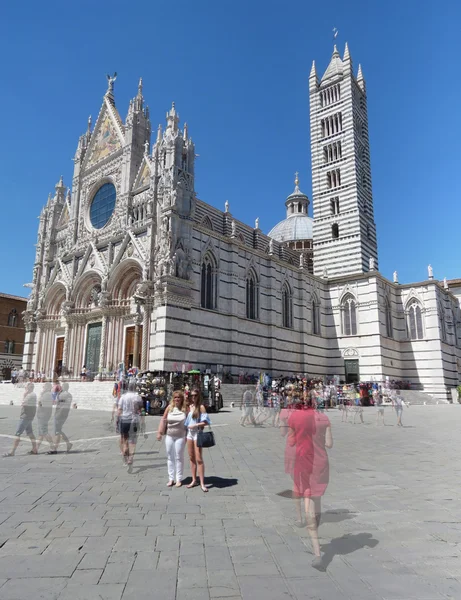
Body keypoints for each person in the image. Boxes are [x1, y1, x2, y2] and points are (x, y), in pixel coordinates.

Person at [157, 391, 187, 487]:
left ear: (182, 399)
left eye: (178, 397)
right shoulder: (169, 408)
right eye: (175, 397)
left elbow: (190, 419)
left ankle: (179, 479)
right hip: (169, 435)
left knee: (179, 457)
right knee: (170, 457)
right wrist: (160, 432)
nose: (177, 399)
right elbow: (163, 419)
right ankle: (171, 478)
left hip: (181, 436)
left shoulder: (185, 409)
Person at [185, 389, 210, 492]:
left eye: (195, 395)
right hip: (189, 434)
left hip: (197, 433)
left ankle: (202, 483)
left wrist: (195, 425)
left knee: (199, 458)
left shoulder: (201, 407)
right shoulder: (189, 407)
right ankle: (194, 480)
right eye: (192, 395)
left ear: (198, 396)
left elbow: (206, 422)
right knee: (191, 457)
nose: (193, 397)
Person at [3, 383, 38, 456]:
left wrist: (24, 395)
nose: (25, 389)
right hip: (29, 417)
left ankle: (12, 452)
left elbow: (23, 404)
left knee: (17, 434)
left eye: (26, 388)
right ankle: (34, 449)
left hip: (25, 417)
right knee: (30, 433)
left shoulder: (29, 395)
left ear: (29, 388)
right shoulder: (34, 395)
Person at [117, 380, 142, 472]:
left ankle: (125, 452)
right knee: (133, 440)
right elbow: (140, 409)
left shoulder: (123, 397)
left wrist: (117, 420)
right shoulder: (137, 397)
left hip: (124, 420)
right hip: (134, 420)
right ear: (135, 387)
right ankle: (131, 457)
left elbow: (119, 410)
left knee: (124, 439)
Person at [50, 382, 73, 453]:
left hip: (59, 414)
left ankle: (54, 449)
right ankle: (68, 444)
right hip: (64, 414)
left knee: (57, 431)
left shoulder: (62, 394)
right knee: (58, 430)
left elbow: (56, 402)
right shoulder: (69, 395)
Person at [36, 382, 55, 452]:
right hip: (43, 415)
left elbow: (40, 404)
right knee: (41, 434)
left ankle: (53, 448)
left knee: (44, 432)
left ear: (47, 387)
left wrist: (40, 395)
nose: (42, 388)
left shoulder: (47, 395)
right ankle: (36, 449)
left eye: (43, 387)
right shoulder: (48, 394)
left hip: (43, 415)